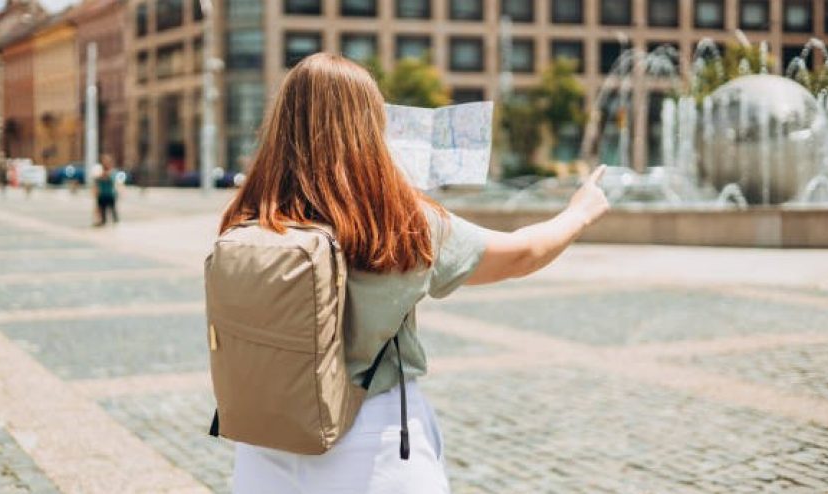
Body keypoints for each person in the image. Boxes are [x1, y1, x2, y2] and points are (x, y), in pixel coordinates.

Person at [218, 53, 609, 494]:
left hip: (262, 451)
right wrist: (579, 213)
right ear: (370, 125)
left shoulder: (249, 217)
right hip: (374, 445)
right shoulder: (397, 220)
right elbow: (523, 254)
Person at [93, 154, 121, 226]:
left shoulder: (113, 172)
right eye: (104, 162)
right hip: (102, 195)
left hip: (110, 195)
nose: (106, 163)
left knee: (113, 213)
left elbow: (115, 181)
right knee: (102, 213)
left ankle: (115, 227)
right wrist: (95, 193)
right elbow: (96, 182)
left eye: (107, 162)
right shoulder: (99, 171)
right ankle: (102, 224)